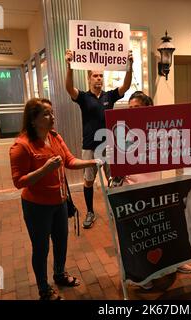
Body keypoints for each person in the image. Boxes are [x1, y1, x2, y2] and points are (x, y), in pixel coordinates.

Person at [9, 98, 102, 300]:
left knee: (61, 241)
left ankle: (59, 274)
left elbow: (69, 161)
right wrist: (44, 170)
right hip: (36, 207)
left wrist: (93, 161)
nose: (52, 117)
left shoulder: (54, 137)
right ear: (33, 120)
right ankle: (44, 289)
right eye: (46, 114)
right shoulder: (21, 146)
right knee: (41, 248)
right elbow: (19, 181)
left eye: (52, 113)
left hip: (59, 201)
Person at [109, 91, 191, 290]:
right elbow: (114, 164)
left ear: (149, 108)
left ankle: (174, 263)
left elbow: (177, 149)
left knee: (165, 228)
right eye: (130, 109)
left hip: (156, 187)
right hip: (133, 189)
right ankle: (140, 274)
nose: (132, 113)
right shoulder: (122, 131)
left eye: (137, 109)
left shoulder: (158, 127)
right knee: (138, 234)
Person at [64, 49, 133, 229]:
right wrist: (69, 66)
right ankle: (90, 212)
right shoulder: (83, 97)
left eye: (100, 75)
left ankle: (114, 209)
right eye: (95, 75)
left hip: (108, 146)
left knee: (113, 180)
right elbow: (68, 88)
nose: (98, 78)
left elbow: (125, 86)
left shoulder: (109, 96)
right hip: (89, 147)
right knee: (88, 181)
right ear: (89, 78)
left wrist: (130, 66)